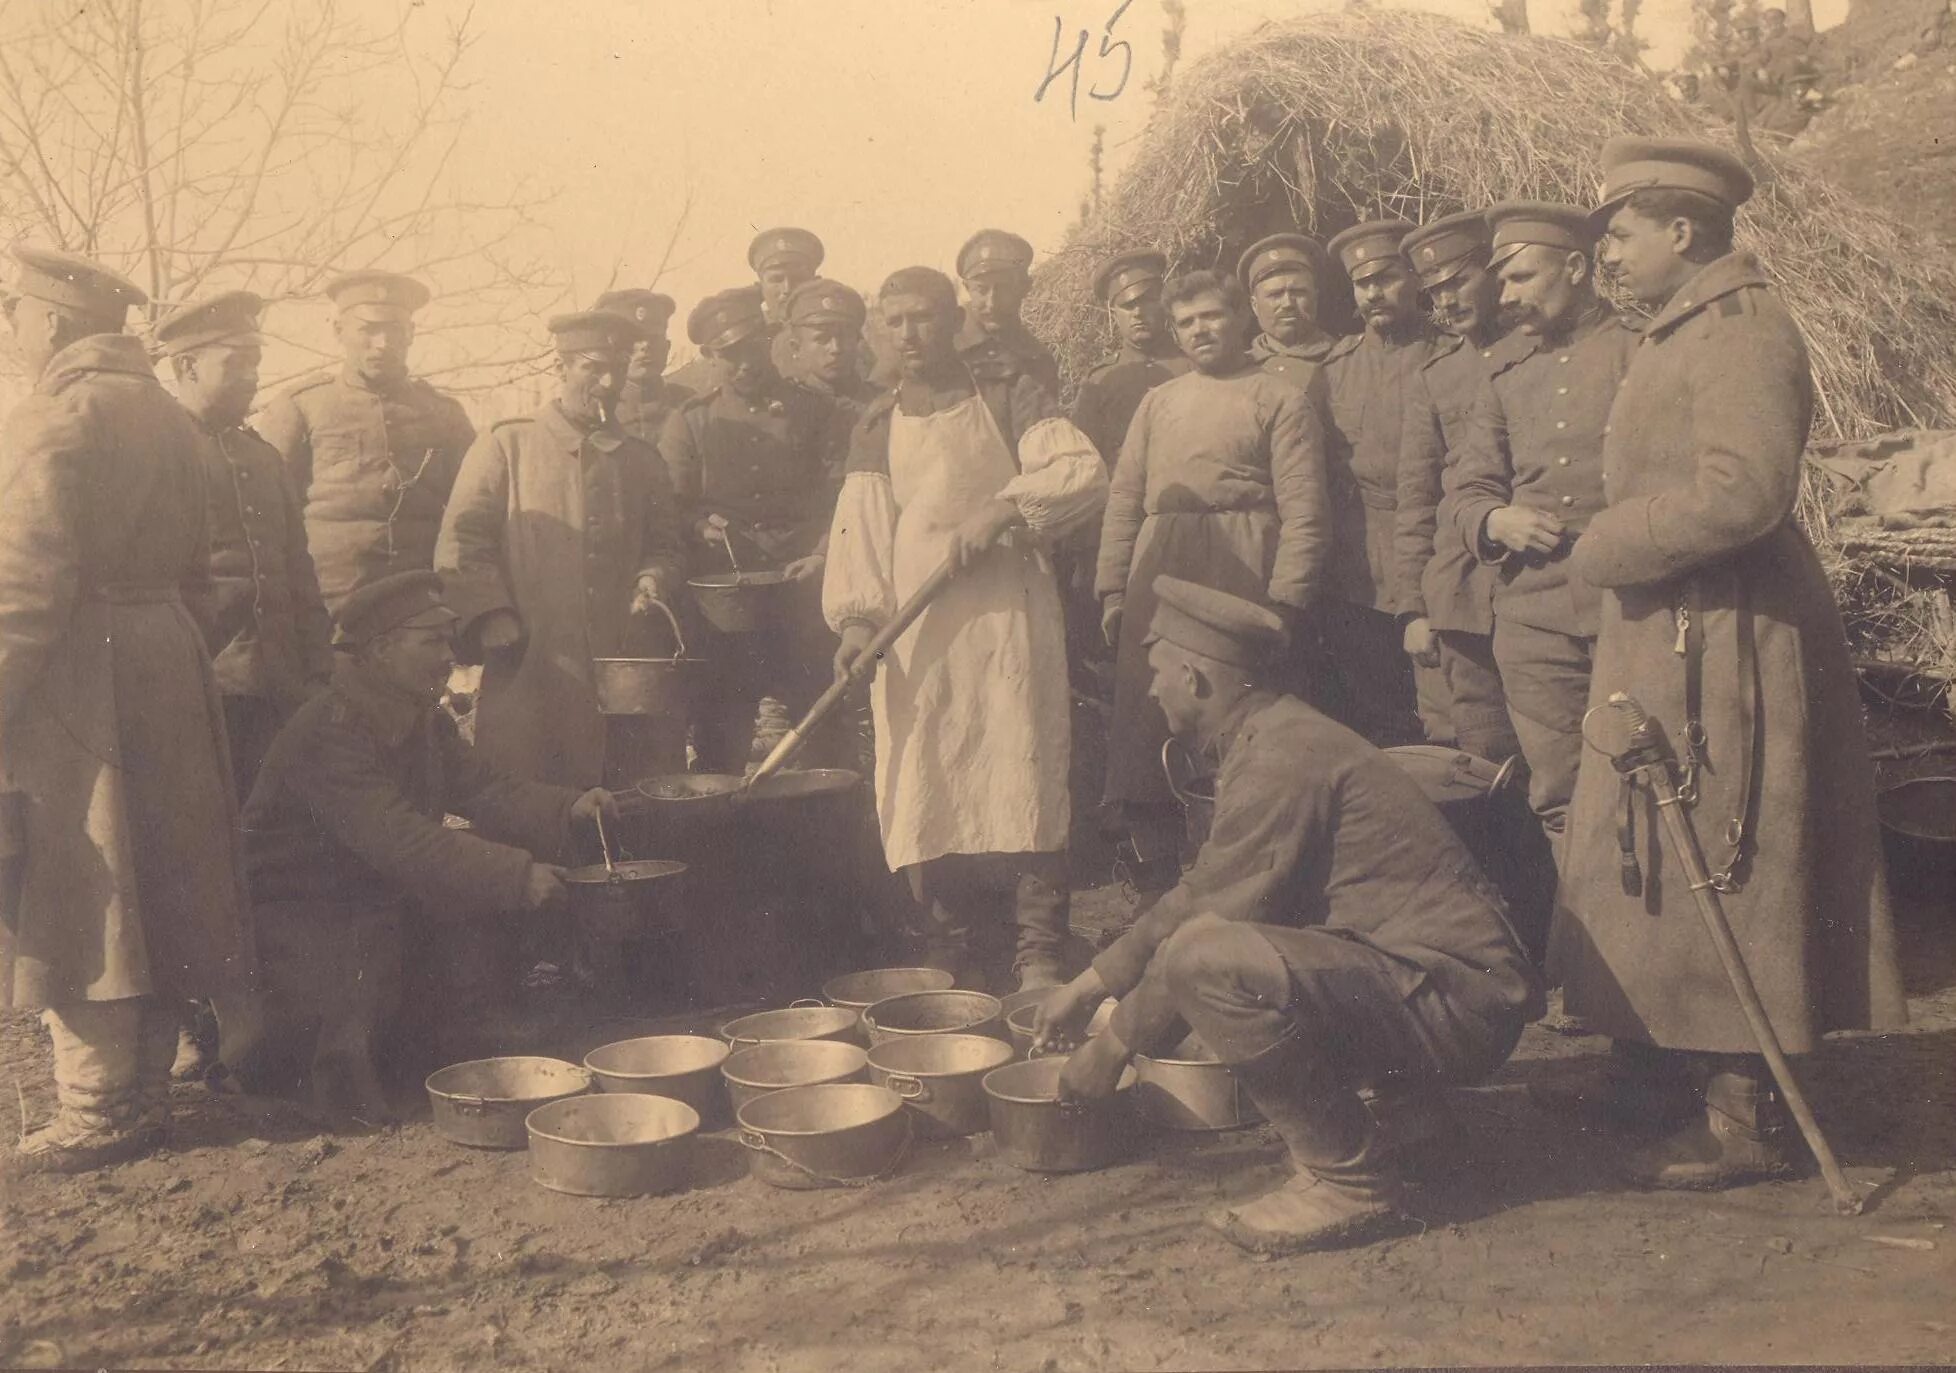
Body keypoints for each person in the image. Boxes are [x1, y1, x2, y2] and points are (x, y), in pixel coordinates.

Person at [1549, 137, 1906, 1186]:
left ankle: (1741, 1110)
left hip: (1730, 629)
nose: (1607, 254)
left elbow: (1746, 494)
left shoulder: (1744, 334)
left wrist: (1610, 544)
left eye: (1619, 232)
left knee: (1726, 843)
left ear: (1683, 231)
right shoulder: (1675, 331)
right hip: (1670, 621)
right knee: (1652, 836)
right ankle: (1653, 1063)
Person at [1033, 578, 1540, 1253]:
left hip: (1453, 998)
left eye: (1157, 673)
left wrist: (1112, 1045)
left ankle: (1348, 1179)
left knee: (1204, 962)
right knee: (1243, 950)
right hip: (1443, 981)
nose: (1150, 691)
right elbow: (1201, 889)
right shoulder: (1277, 733)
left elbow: (1200, 924)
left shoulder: (1280, 755)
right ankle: (1410, 1117)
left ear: (1194, 676)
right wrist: (1094, 981)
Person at [0, 246, 252, 1173]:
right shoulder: (180, 424)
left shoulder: (54, 419)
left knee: (87, 886)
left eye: (15, 313)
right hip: (169, 662)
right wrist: (169, 649)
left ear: (54, 324)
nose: (12, 330)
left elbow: (21, 589)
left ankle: (101, 1107)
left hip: (80, 677)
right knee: (162, 876)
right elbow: (220, 576)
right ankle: (145, 1092)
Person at [219, 572, 615, 1123]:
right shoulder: (329, 732)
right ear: (381, 650)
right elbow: (400, 839)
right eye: (431, 642)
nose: (449, 657)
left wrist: (567, 806)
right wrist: (517, 875)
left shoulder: (414, 714)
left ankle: (448, 1034)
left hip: (366, 894)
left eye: (448, 640)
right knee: (337, 1045)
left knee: (464, 912)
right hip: (300, 919)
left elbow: (485, 787)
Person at [824, 267, 1106, 991]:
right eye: (895, 321)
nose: (910, 334)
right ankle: (956, 943)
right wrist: (858, 621)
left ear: (954, 321)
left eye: (924, 318)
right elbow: (862, 534)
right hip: (919, 627)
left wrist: (1002, 509)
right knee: (931, 776)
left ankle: (1039, 950)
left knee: (1024, 770)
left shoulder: (1010, 392)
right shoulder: (877, 422)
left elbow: (1081, 472)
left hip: (1007, 616)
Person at [1095, 269, 1330, 898]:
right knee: (1152, 720)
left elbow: (1305, 506)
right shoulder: (1159, 402)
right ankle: (1156, 888)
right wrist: (1115, 589)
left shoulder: (1277, 399)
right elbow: (1124, 497)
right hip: (1161, 565)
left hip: (1241, 561)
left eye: (1213, 317)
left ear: (1241, 321)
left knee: (1234, 720)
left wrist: (1286, 598)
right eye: (1188, 321)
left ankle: (1242, 882)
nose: (1201, 330)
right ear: (1175, 331)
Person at [1447, 203, 1637, 850]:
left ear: (1577, 268)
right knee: (1560, 798)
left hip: (1630, 607)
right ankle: (1583, 950)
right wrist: (1497, 518)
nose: (1507, 297)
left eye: (1522, 278)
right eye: (1503, 283)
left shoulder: (1639, 353)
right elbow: (1466, 489)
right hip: (1533, 620)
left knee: (1645, 781)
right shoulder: (1504, 374)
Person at [437, 310, 685, 788]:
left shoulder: (642, 461)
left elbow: (667, 546)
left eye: (617, 368)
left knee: (630, 801)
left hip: (623, 667)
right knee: (530, 795)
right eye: (593, 367)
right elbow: (462, 542)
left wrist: (653, 579)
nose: (608, 382)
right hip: (531, 662)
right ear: (562, 367)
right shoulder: (506, 444)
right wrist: (491, 614)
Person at [661, 287, 845, 771]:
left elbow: (844, 499)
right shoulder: (690, 422)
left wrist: (824, 553)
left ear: (770, 342)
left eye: (752, 350)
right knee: (723, 736)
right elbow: (668, 509)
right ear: (709, 356)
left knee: (821, 730)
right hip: (727, 606)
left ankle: (830, 835)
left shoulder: (814, 410)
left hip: (802, 595)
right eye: (729, 355)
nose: (744, 365)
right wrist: (699, 524)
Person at [160, 290, 335, 797]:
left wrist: (319, 666)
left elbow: (298, 570)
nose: (252, 376)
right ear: (187, 366)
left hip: (282, 685)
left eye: (256, 362)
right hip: (201, 687)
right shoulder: (163, 450)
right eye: (235, 363)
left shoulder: (262, 457)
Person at [257, 271, 474, 611]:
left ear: (412, 334)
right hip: (327, 603)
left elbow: (471, 517)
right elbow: (266, 517)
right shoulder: (300, 406)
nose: (382, 344)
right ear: (338, 331)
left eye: (394, 330)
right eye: (368, 329)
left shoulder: (445, 414)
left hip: (418, 606)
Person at [1394, 211, 1521, 766]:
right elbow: (1418, 501)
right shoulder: (1437, 376)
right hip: (1464, 595)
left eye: (1458, 282)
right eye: (1433, 292)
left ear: (1494, 272)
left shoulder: (1540, 353)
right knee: (1483, 753)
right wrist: (1413, 611)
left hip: (1539, 582)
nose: (1445, 302)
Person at [1314, 220, 1439, 748]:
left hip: (1434, 558)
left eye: (1386, 279)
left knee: (1442, 715)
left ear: (1414, 279)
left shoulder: (1446, 354)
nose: (1374, 294)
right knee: (1372, 715)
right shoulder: (1334, 369)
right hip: (1354, 570)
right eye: (1363, 285)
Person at [955, 229, 1062, 396]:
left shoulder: (1037, 360)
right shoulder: (942, 347)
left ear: (1025, 287)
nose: (992, 303)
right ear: (967, 288)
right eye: (981, 290)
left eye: (1004, 289)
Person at [1239, 233, 1338, 390]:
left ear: (1315, 298)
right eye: (1275, 295)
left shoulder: (1343, 361)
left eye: (1299, 292)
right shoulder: (1238, 369)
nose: (1287, 304)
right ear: (1254, 305)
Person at [594, 288, 692, 444]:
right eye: (633, 338)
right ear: (610, 349)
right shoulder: (595, 409)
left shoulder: (690, 406)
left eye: (654, 338)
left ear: (667, 347)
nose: (645, 346)